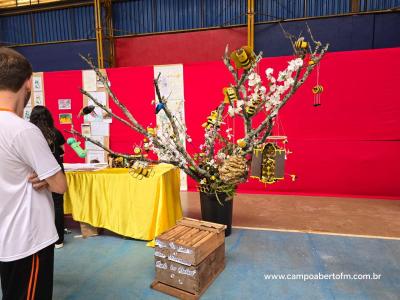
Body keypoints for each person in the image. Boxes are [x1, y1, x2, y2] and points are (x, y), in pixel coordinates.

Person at [0, 47, 67, 300]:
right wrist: (48, 176)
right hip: (29, 240)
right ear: (29, 82)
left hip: (6, 239)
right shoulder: (23, 131)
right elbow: (60, 184)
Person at [30, 105, 66, 249]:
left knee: (38, 204)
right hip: (56, 172)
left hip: (37, 173)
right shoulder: (55, 132)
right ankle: (59, 239)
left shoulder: (32, 134)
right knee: (57, 205)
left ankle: (42, 237)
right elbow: (63, 152)